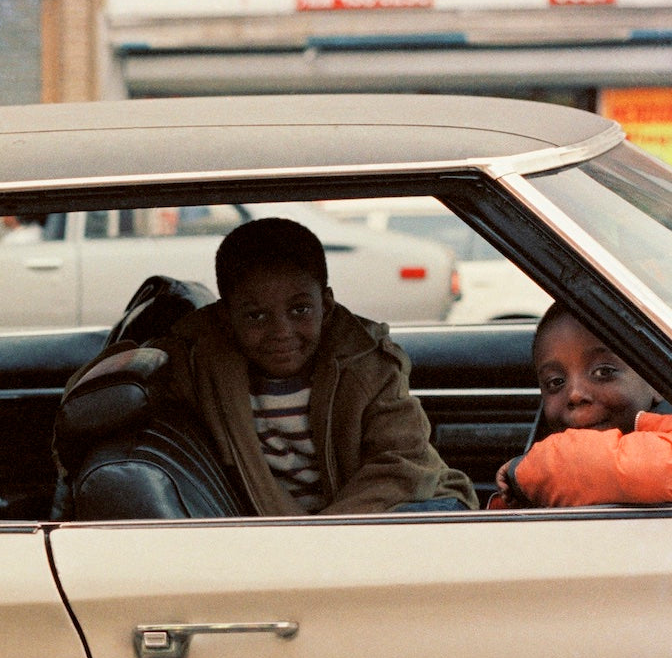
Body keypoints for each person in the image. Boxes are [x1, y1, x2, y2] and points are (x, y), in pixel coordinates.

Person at [144, 217, 475, 515]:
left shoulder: (368, 364)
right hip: (306, 532)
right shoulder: (205, 367)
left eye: (300, 310)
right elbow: (132, 368)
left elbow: (403, 464)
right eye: (255, 316)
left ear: (326, 306)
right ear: (226, 319)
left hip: (410, 499)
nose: (281, 332)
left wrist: (324, 533)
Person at [491, 303, 672, 508]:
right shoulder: (531, 484)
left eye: (604, 372)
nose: (575, 394)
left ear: (656, 381)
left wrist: (531, 472)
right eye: (555, 382)